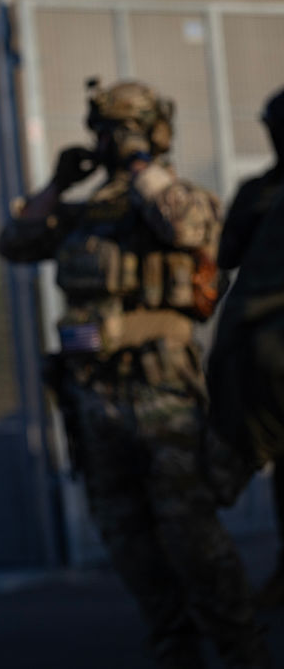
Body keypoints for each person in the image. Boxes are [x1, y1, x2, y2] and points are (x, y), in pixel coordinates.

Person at [0, 78, 269, 668]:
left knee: (189, 533)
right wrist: (60, 182)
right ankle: (174, 647)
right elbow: (15, 243)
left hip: (161, 386)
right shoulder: (86, 211)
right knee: (126, 536)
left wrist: (142, 163)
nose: (114, 141)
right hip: (92, 395)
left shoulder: (177, 197)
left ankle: (240, 648)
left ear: (156, 132)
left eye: (128, 129)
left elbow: (188, 227)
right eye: (108, 131)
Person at [208, 86, 284, 610]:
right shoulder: (259, 192)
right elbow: (227, 251)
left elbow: (227, 252)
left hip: (253, 350)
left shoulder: (260, 191)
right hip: (259, 353)